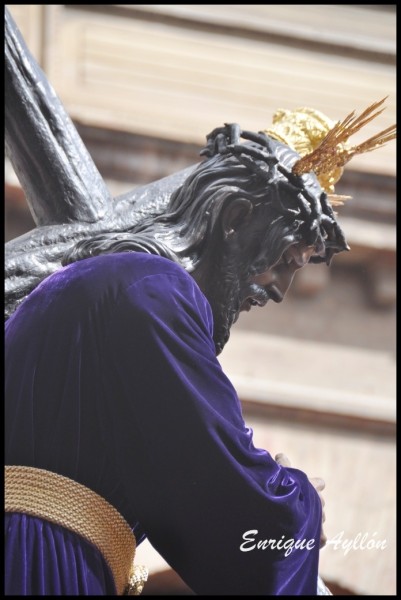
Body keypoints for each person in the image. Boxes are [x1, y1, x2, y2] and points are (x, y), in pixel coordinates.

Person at [5, 101, 396, 596]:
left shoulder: (113, 284)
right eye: (283, 260)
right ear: (235, 217)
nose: (281, 290)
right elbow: (218, 483)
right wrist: (293, 502)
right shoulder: (154, 290)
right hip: (42, 563)